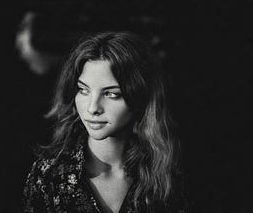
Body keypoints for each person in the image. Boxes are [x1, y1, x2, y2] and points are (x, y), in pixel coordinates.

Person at [22, 32, 189, 213]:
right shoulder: (49, 175)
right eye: (83, 90)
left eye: (111, 94)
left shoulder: (167, 178)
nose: (93, 108)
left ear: (139, 97)